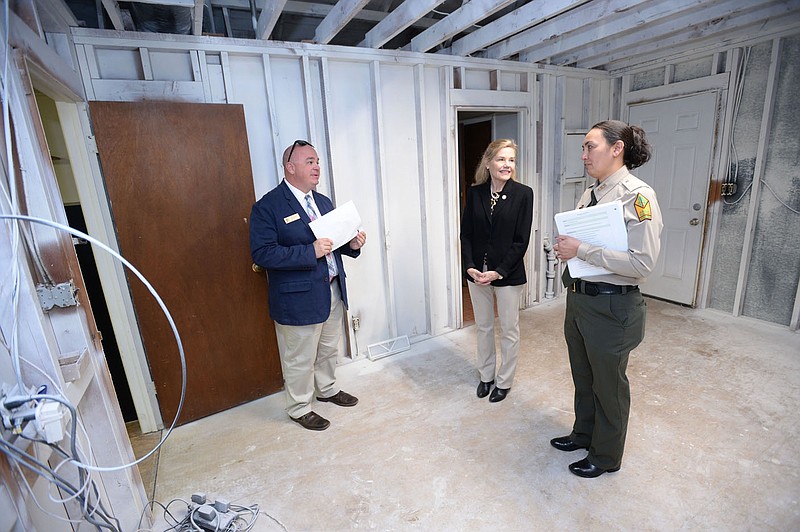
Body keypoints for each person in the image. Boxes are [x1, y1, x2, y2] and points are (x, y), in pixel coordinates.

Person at [551, 120, 663, 477]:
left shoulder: (637, 196)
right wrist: (569, 251)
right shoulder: (591, 193)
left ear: (617, 149)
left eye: (590, 147)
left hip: (613, 306)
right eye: (583, 148)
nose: (583, 155)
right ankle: (584, 433)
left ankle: (606, 455)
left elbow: (641, 263)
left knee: (609, 386)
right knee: (584, 377)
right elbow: (583, 247)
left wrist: (582, 248)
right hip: (581, 300)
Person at [250, 140, 367, 431]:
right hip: (297, 298)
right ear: (290, 168)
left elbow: (334, 244)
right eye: (309, 162)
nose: (316, 167)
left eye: (317, 161)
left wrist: (352, 245)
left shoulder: (323, 202)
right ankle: (299, 406)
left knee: (328, 348)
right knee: (299, 356)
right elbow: (262, 253)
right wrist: (308, 251)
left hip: (331, 289)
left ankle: (326, 389)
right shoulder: (268, 207)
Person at [460, 139, 534, 403]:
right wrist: (469, 266)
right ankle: (486, 376)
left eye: (511, 160)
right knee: (483, 326)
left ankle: (504, 381)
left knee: (509, 329)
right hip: (476, 273)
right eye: (501, 159)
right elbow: (466, 234)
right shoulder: (476, 193)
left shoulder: (524, 194)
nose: (507, 165)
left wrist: (498, 271)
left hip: (507, 274)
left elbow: (520, 241)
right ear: (489, 162)